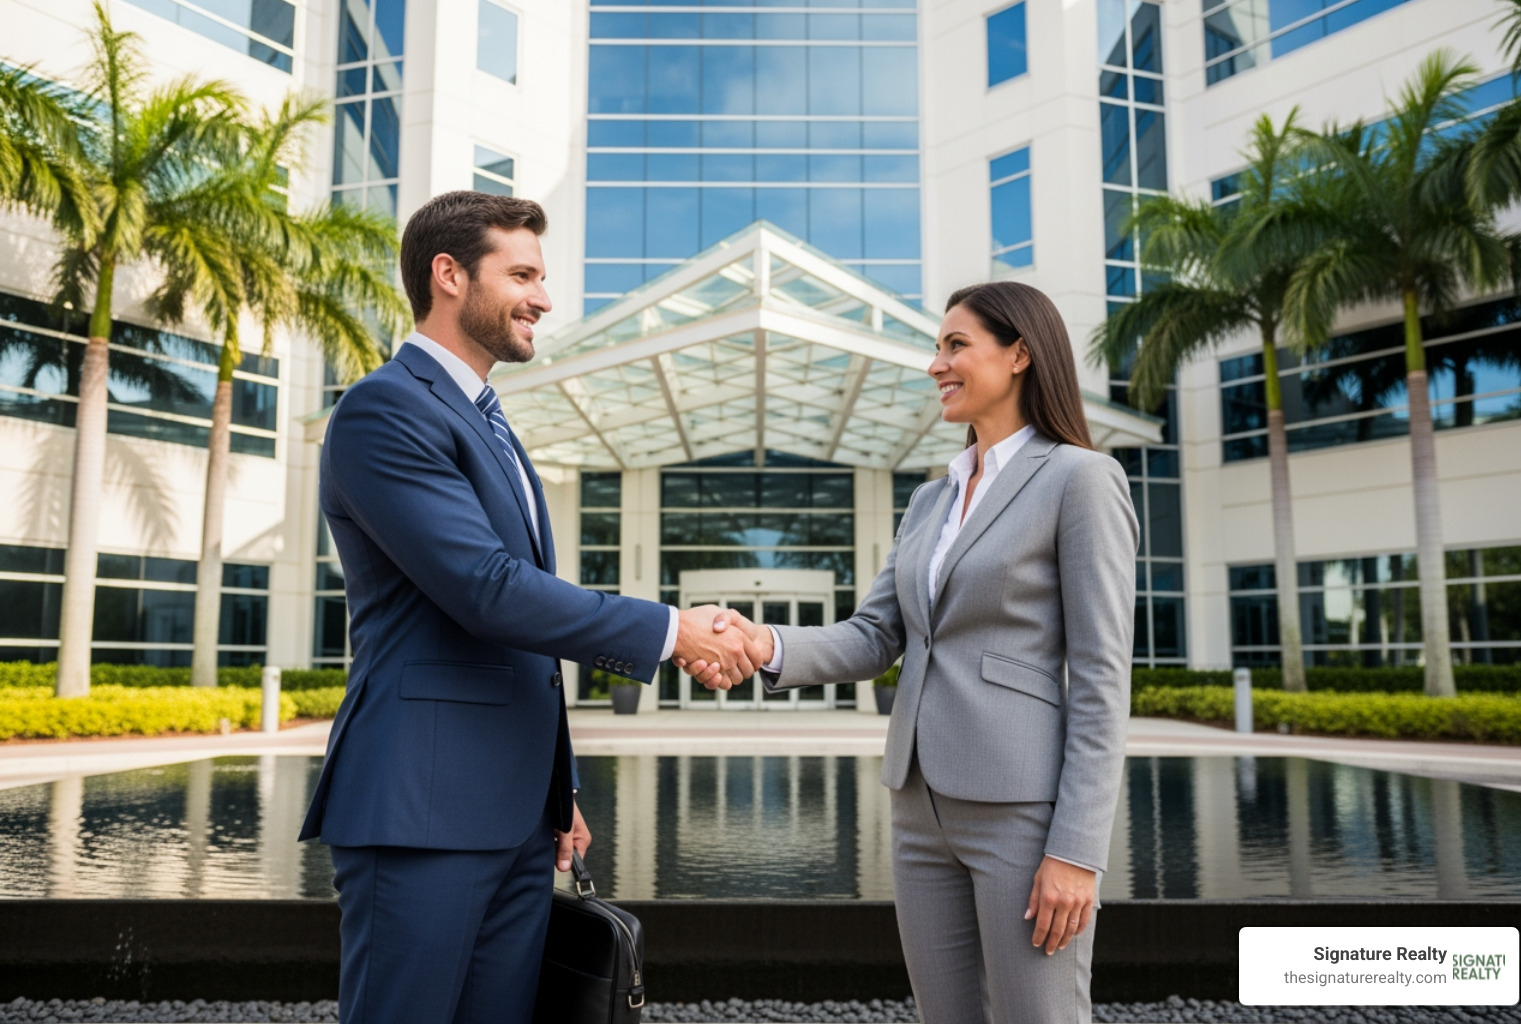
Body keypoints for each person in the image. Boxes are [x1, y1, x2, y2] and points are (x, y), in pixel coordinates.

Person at [298, 191, 759, 1024]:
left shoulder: (492, 424)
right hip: (421, 810)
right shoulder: (384, 410)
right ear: (448, 275)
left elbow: (522, 646)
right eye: (522, 274)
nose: (543, 298)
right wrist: (672, 630)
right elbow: (488, 591)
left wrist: (557, 791)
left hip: (512, 818)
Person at [681, 281, 1137, 1024]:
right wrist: (763, 642)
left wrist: (1078, 850)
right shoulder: (932, 498)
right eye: (936, 346)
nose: (936, 364)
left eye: (956, 345)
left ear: (1020, 353)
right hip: (918, 804)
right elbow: (876, 634)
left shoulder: (1080, 479)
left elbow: (1100, 676)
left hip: (1019, 809)